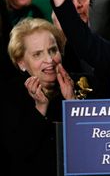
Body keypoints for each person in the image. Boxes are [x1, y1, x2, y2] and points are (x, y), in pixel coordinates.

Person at [2, 17, 77, 176]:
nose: (49, 60)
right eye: (38, 54)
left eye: (53, 50)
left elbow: (92, 147)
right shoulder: (8, 95)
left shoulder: (80, 85)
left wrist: (72, 102)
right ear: (21, 62)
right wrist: (40, 107)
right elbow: (18, 154)